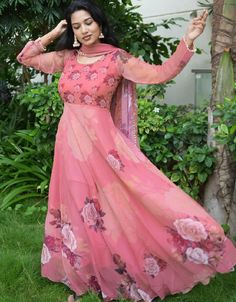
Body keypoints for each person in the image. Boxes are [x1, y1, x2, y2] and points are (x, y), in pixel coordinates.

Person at [17, 1, 236, 302]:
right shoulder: (67, 58)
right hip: (69, 147)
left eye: (89, 22)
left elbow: (161, 74)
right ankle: (88, 273)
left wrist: (188, 40)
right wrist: (55, 32)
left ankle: (179, 243)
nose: (84, 29)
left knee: (122, 203)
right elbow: (26, 57)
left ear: (100, 24)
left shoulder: (116, 59)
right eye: (77, 25)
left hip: (104, 147)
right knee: (79, 208)